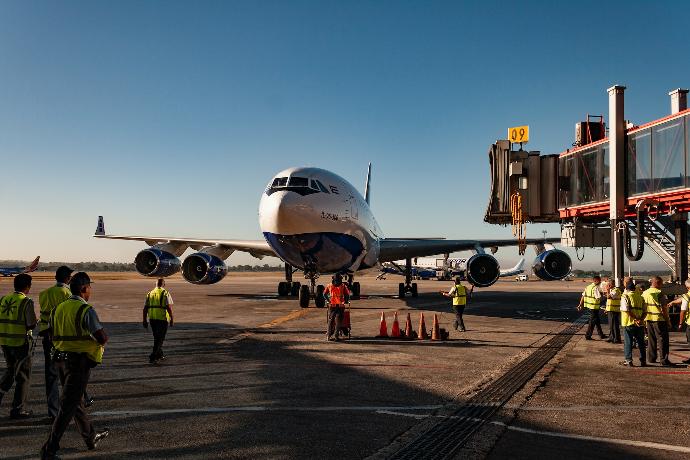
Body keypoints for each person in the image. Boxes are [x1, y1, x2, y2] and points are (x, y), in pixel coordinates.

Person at [40, 272, 109, 459]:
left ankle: (90, 437)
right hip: (79, 363)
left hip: (61, 361)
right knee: (67, 407)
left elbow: (51, 335)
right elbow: (102, 337)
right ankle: (49, 449)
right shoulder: (85, 309)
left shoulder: (58, 309)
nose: (90, 291)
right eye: (89, 287)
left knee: (75, 401)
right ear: (84, 289)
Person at [38, 266, 73, 420]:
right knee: (70, 375)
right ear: (68, 279)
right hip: (64, 339)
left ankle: (53, 412)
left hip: (48, 338)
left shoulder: (44, 294)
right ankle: (70, 410)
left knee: (51, 376)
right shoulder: (68, 294)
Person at [0, 273, 37, 419]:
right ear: (28, 287)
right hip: (20, 344)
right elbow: (31, 323)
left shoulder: (3, 299)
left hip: (5, 341)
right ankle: (18, 409)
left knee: (10, 372)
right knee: (23, 376)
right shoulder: (26, 302)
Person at [642, 276, 674, 367]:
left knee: (651, 339)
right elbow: (664, 309)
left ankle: (651, 358)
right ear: (657, 283)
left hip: (648, 318)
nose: (662, 285)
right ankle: (663, 359)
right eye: (661, 283)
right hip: (659, 319)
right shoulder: (659, 293)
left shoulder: (645, 293)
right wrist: (668, 321)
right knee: (662, 340)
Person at [143, 278, 174, 363]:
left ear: (156, 284)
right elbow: (168, 307)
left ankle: (160, 354)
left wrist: (144, 320)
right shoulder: (165, 293)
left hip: (152, 319)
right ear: (164, 285)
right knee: (160, 338)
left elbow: (145, 308)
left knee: (157, 337)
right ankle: (153, 356)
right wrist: (171, 318)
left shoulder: (150, 293)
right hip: (162, 319)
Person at [619, 277, 646, 366]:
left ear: (626, 289)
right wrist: (640, 319)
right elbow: (645, 311)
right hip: (640, 324)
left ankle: (628, 360)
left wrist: (635, 319)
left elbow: (626, 310)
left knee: (628, 342)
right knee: (641, 343)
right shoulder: (640, 297)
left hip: (629, 323)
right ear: (635, 289)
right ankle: (643, 360)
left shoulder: (625, 296)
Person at [577, 275, 606, 340]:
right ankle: (588, 335)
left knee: (597, 321)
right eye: (599, 281)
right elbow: (599, 298)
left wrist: (580, 304)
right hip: (594, 307)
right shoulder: (595, 288)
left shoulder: (588, 287)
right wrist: (605, 296)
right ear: (596, 281)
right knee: (592, 322)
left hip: (589, 306)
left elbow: (583, 296)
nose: (600, 282)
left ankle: (601, 335)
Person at [324, 274, 350, 341]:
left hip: (332, 305)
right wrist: (346, 301)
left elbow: (324, 294)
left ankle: (329, 336)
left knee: (330, 321)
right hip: (340, 306)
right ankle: (336, 336)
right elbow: (347, 294)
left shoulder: (329, 285)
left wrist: (328, 300)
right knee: (338, 322)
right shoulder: (343, 286)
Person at [669, 279, 690, 365]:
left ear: (687, 287)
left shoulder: (686, 296)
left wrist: (680, 323)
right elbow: (684, 299)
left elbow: (683, 311)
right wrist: (674, 302)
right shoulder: (686, 296)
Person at [603, 278, 622, 343]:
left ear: (612, 284)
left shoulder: (615, 290)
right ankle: (611, 337)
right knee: (611, 325)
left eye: (609, 284)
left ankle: (616, 338)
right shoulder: (612, 290)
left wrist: (607, 290)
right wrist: (606, 309)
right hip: (610, 309)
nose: (607, 285)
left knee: (614, 325)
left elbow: (609, 297)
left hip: (614, 310)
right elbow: (609, 301)